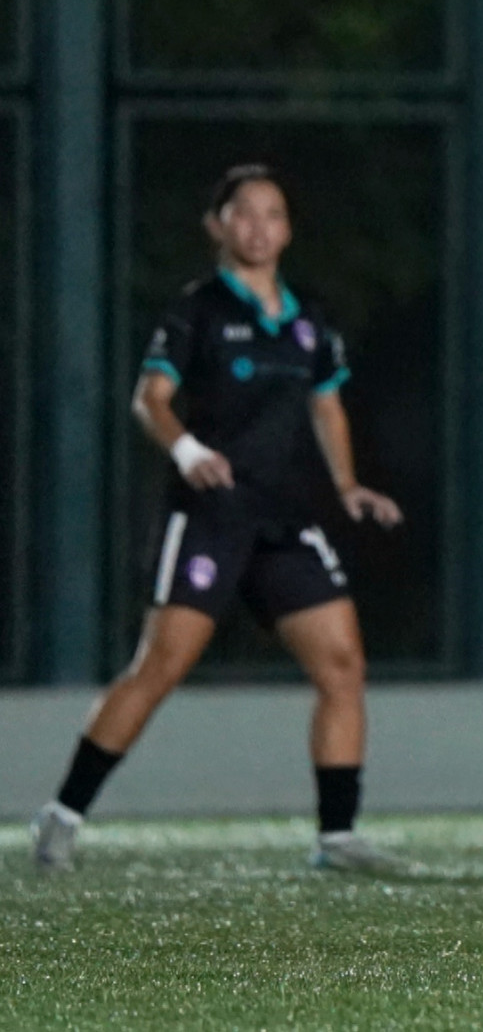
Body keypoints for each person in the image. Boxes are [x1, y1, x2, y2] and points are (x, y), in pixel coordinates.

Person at [30, 165, 407, 874]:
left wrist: (347, 484)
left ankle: (337, 835)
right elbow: (150, 399)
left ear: (287, 230)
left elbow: (326, 403)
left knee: (342, 665)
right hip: (210, 513)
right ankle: (63, 814)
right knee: (161, 665)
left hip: (284, 516)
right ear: (218, 225)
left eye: (273, 214)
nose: (260, 227)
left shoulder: (308, 317)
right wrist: (188, 450)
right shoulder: (196, 310)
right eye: (245, 213)